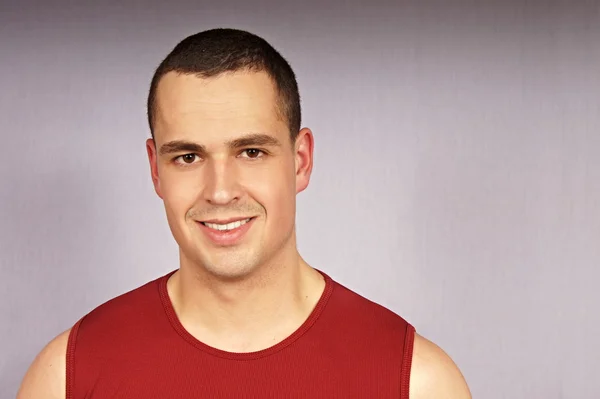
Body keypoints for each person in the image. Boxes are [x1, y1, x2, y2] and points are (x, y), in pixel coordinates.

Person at [17, 28, 471, 398]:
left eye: (251, 152)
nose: (219, 191)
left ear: (301, 161)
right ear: (155, 170)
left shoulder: (415, 380)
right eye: (188, 157)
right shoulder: (67, 376)